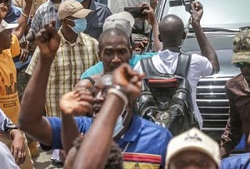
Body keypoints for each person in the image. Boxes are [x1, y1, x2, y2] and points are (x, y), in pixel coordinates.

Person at [19, 24, 172, 168]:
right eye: (95, 92)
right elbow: (29, 123)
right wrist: (45, 60)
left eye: (108, 93)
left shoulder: (158, 138)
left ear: (130, 100)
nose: (116, 59)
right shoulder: (80, 128)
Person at [135, 0, 219, 128]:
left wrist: (154, 23)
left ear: (160, 38)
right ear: (184, 35)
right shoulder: (194, 61)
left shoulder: (142, 65)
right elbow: (214, 66)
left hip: (152, 131)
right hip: (188, 131)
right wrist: (196, 25)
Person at [25, 0, 98, 117]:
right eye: (78, 18)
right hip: (55, 116)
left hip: (84, 117)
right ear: (65, 20)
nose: (83, 21)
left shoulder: (92, 44)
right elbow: (34, 79)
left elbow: (99, 77)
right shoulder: (47, 47)